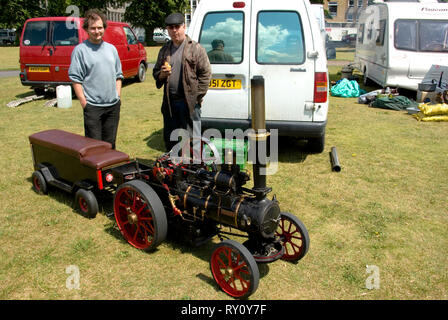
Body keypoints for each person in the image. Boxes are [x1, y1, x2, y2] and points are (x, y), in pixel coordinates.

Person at [153, 12, 211, 152]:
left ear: (184, 27)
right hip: (170, 103)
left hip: (189, 103)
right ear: (167, 29)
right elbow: (155, 73)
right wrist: (161, 74)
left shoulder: (196, 48)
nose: (174, 30)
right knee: (171, 139)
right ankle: (172, 169)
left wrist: (197, 97)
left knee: (193, 141)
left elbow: (206, 74)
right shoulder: (164, 50)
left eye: (177, 26)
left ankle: (195, 170)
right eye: (170, 27)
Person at [69, 9, 124, 149]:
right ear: (86, 29)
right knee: (94, 147)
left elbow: (119, 75)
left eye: (99, 27)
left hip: (112, 106)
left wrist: (117, 96)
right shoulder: (80, 50)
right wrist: (84, 102)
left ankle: (110, 171)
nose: (97, 31)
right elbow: (75, 79)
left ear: (104, 28)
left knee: (110, 145)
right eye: (93, 28)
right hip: (93, 107)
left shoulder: (111, 49)